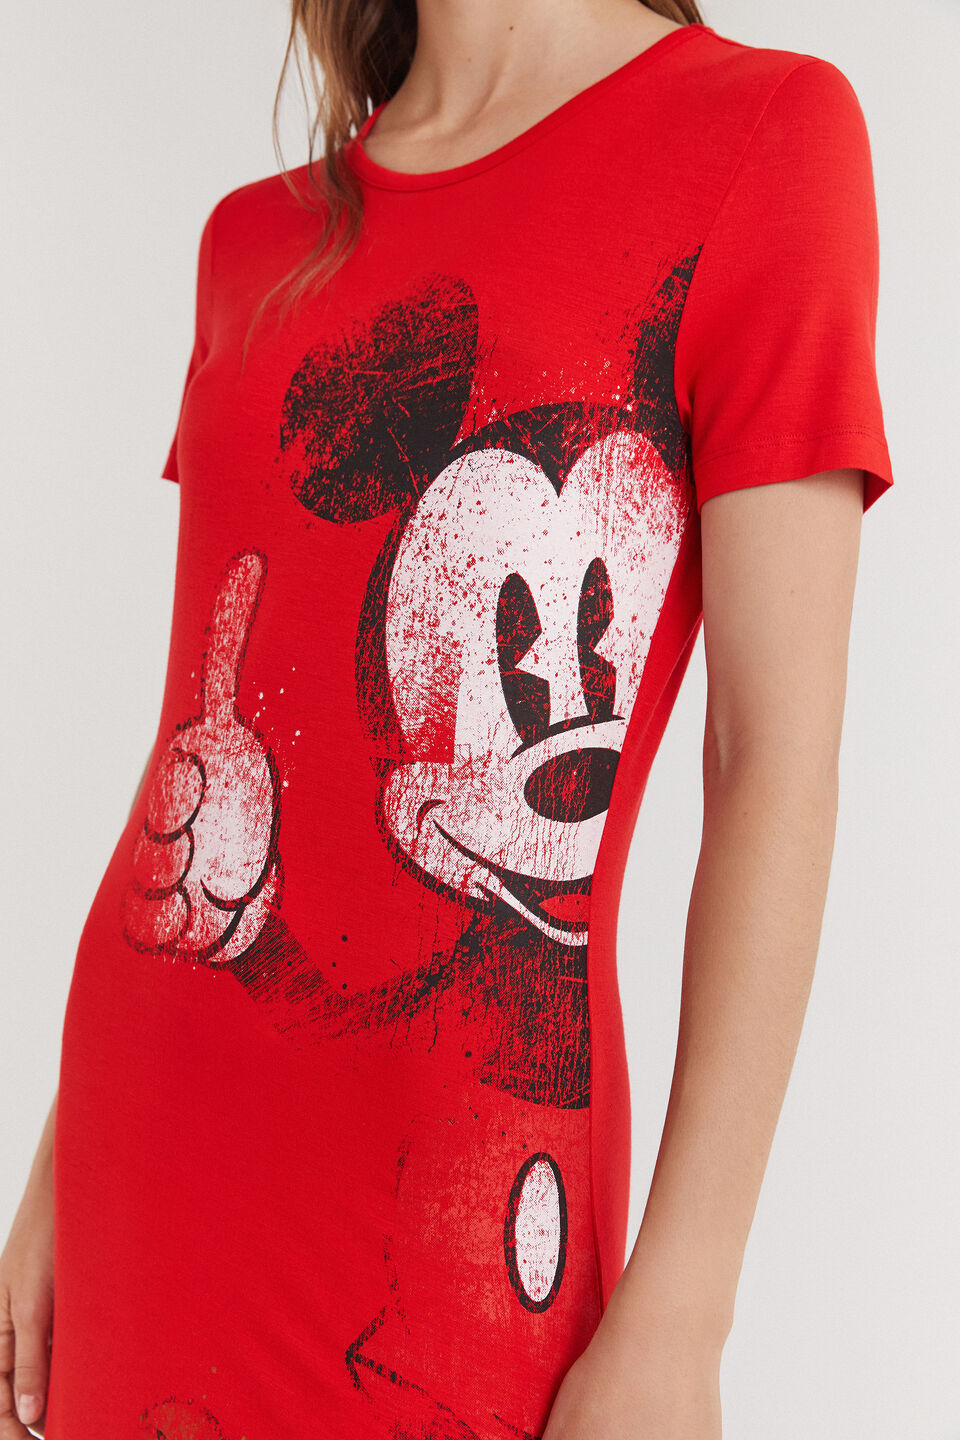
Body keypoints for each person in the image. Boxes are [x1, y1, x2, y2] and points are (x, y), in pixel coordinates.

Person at [0, 0, 894, 1435]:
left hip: (471, 1208)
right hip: (148, 1154)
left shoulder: (764, 137)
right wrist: (59, 1167)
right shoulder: (254, 242)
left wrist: (685, 1308)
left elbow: (771, 758)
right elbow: (201, 726)